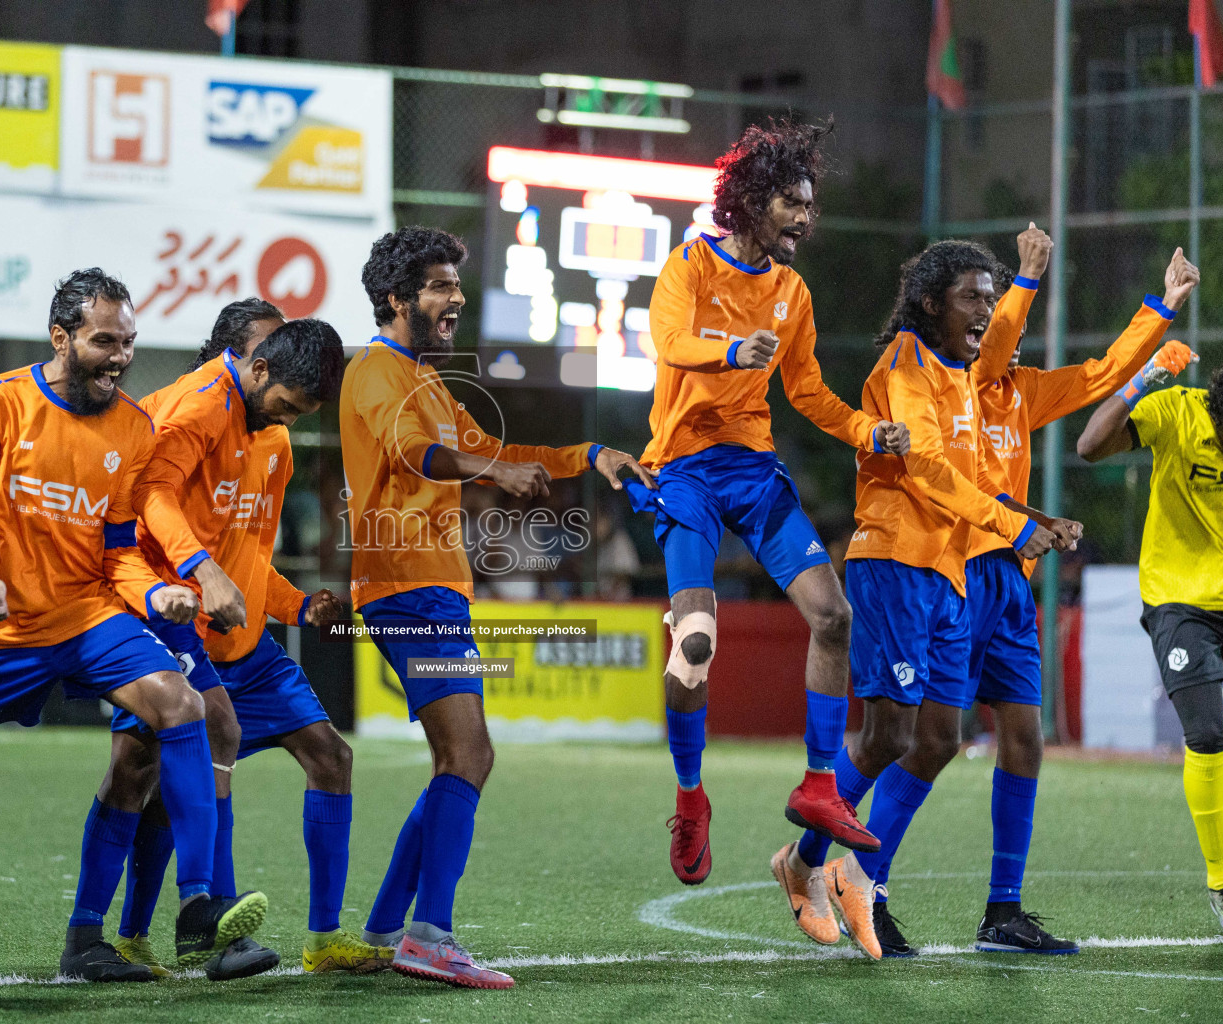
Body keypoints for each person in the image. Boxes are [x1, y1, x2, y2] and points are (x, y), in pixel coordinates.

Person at [0, 269, 262, 991]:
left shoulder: (133, 427)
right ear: (60, 337)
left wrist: (156, 594)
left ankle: (193, 907)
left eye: (128, 342)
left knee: (183, 708)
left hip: (85, 613)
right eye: (103, 342)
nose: (119, 357)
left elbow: (118, 547)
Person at [343, 226, 656, 990]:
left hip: (431, 589)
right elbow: (420, 456)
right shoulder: (377, 372)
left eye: (456, 285)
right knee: (470, 754)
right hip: (407, 588)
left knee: (456, 758)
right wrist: (491, 470)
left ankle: (390, 926)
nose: (455, 300)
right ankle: (431, 935)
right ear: (396, 299)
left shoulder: (428, 383)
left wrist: (586, 456)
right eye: (440, 287)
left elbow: (490, 448)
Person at [634, 118, 911, 887]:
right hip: (683, 469)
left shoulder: (792, 292)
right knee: (694, 643)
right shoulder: (688, 265)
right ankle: (691, 799)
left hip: (751, 468)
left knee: (835, 616)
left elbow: (810, 392)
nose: (805, 218)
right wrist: (729, 351)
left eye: (810, 205)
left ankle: (819, 784)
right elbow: (669, 343)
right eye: (792, 201)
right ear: (751, 202)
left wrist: (868, 431)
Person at [779, 239, 1070, 960]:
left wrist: (1029, 282)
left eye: (989, 297)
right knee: (888, 737)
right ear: (932, 301)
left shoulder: (964, 370)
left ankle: (858, 875)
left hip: (950, 571)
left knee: (937, 738)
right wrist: (1013, 521)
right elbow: (927, 466)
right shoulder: (909, 362)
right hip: (897, 562)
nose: (985, 310)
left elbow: (999, 345)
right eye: (972, 296)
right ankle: (811, 861)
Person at [79, 311, 371, 982]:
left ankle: (315, 937)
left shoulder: (270, 435)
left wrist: (296, 604)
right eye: (289, 403)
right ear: (248, 357)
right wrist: (198, 575)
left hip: (242, 640)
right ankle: (160, 929)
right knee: (143, 770)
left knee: (328, 756)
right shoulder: (195, 410)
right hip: (165, 616)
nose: (291, 418)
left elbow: (245, 553)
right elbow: (151, 503)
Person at [958, 241, 1197, 952]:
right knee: (920, 740)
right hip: (954, 569)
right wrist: (1028, 275)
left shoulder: (1022, 392)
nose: (1011, 333)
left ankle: (1003, 913)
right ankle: (834, 865)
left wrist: (1163, 306)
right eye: (998, 317)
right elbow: (997, 341)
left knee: (1024, 739)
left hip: (1009, 579)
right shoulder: (963, 383)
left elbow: (1101, 374)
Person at [1076, 294, 1223, 935]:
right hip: (1180, 600)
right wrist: (1144, 380)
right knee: (1208, 733)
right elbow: (1089, 444)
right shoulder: (1180, 410)